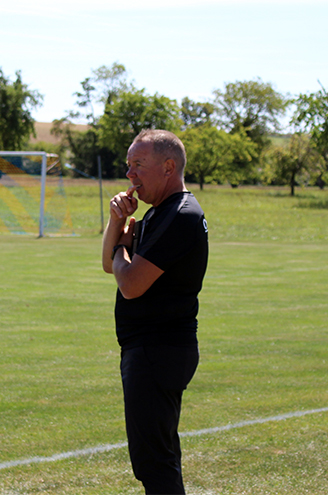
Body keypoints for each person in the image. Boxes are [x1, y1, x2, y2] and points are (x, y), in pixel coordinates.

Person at [102, 129, 209, 494]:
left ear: (168, 167)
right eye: (128, 165)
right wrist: (118, 222)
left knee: (155, 463)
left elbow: (129, 283)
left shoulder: (180, 215)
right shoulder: (159, 213)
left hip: (157, 350)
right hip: (150, 349)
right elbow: (108, 264)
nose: (130, 174)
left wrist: (122, 251)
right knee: (155, 459)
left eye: (137, 165)